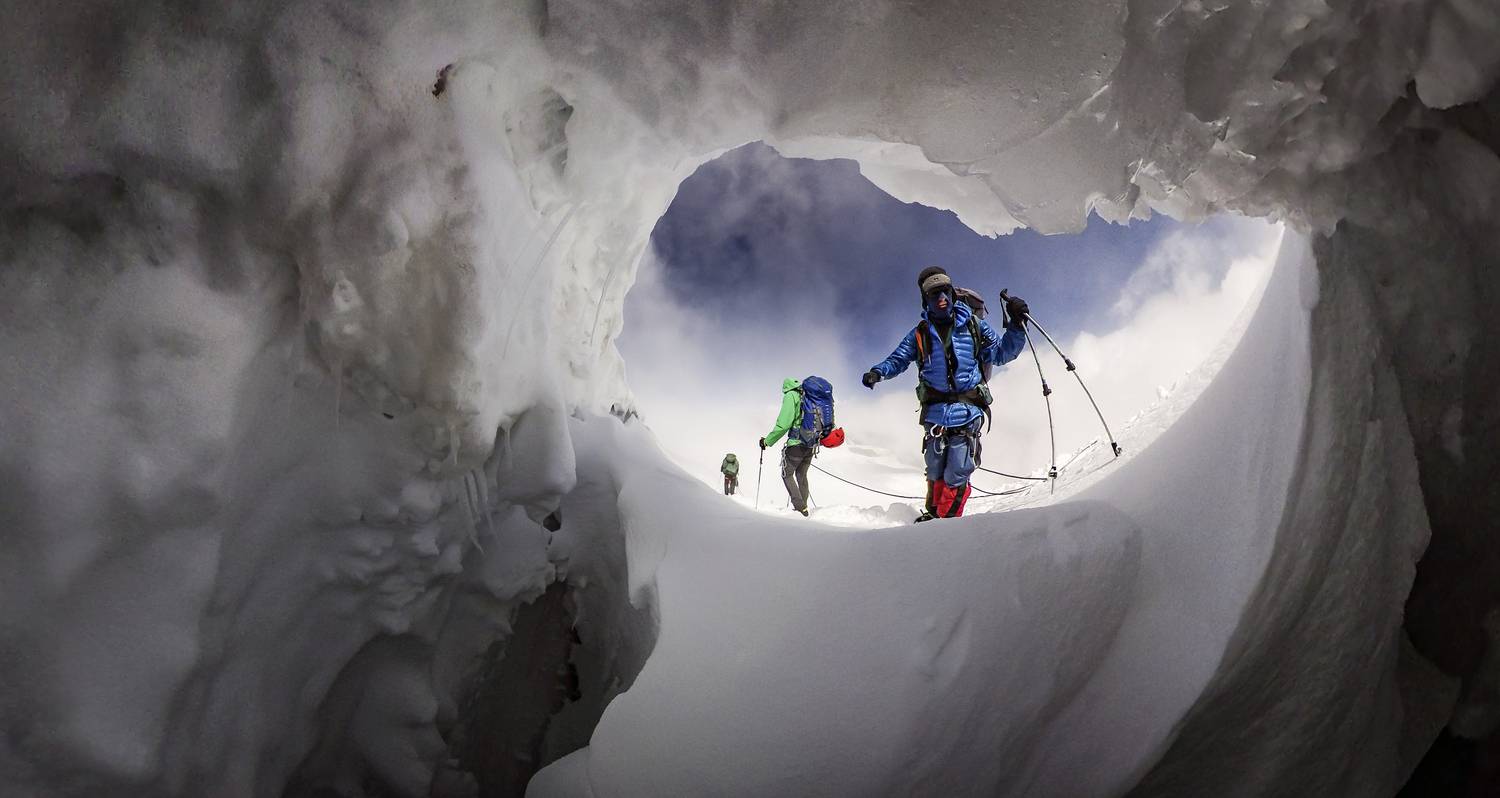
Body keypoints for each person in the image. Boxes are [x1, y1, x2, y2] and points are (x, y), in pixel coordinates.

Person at [863, 268, 1030, 521]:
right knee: (935, 468)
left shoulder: (974, 326)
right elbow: (898, 359)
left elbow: (1001, 353)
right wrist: (878, 373)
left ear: (952, 293)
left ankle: (947, 526)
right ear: (925, 300)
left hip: (967, 410)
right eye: (934, 294)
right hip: (935, 415)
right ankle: (934, 516)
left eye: (944, 291)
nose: (941, 297)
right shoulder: (920, 333)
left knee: (957, 471)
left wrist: (1016, 325)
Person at [759, 376, 835, 517]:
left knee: (787, 475)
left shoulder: (791, 396)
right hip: (811, 444)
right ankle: (804, 507)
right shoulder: (807, 395)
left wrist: (767, 441)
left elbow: (784, 424)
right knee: (802, 475)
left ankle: (800, 509)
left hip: (796, 445)